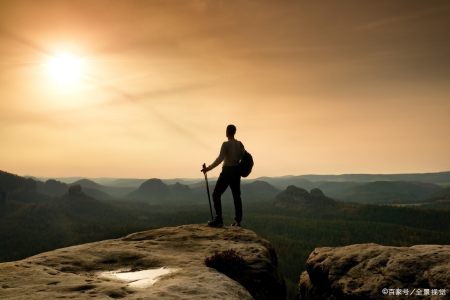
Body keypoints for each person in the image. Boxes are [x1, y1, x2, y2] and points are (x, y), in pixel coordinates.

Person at [201, 124, 245, 227]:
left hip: (227, 171)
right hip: (236, 171)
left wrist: (208, 168)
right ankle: (238, 221)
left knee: (216, 194)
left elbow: (220, 159)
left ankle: (219, 219)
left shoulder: (225, 144)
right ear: (234, 132)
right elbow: (243, 157)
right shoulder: (240, 144)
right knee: (236, 197)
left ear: (227, 132)